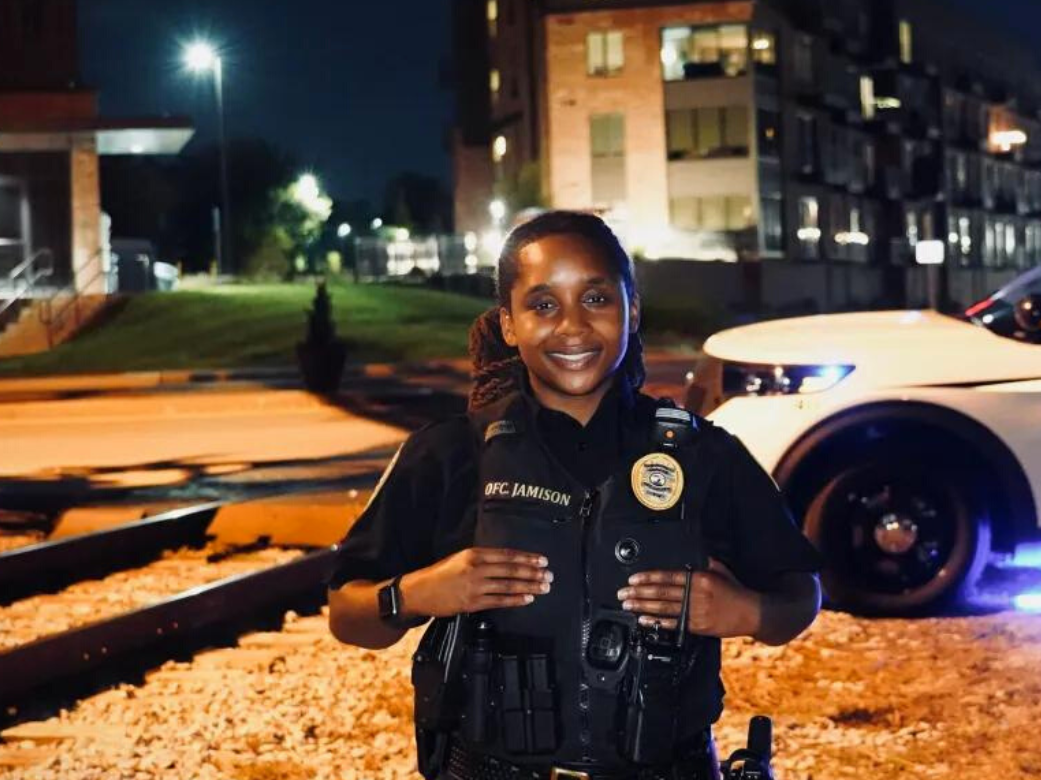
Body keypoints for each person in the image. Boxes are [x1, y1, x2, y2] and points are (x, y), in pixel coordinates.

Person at [326, 211, 823, 780]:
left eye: (595, 298)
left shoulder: (706, 457)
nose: (572, 327)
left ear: (632, 309)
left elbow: (800, 594)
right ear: (508, 324)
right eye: (542, 305)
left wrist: (748, 611)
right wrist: (413, 594)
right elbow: (346, 613)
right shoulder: (451, 453)